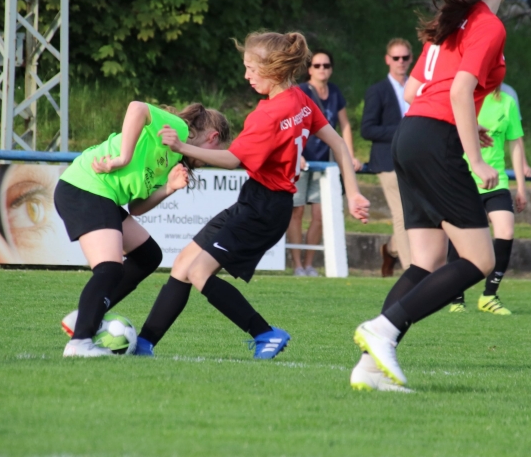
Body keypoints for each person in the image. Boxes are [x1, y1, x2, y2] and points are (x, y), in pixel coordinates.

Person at [136, 31, 370, 359]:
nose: (246, 75)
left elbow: (232, 159)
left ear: (274, 69)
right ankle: (143, 345)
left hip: (263, 208)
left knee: (198, 272)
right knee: (184, 263)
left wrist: (181, 146)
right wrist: (353, 193)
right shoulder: (301, 100)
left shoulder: (267, 114)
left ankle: (265, 334)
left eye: (251, 68)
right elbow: (340, 144)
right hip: (260, 202)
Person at [350, 0, 513, 392]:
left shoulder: (451, 19)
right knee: (481, 259)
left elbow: (413, 91)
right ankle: (383, 330)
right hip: (435, 140)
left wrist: (467, 128)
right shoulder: (488, 24)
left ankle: (369, 368)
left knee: (426, 261)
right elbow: (459, 91)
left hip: (411, 135)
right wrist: (475, 159)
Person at [53, 101, 229, 357]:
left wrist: (169, 187)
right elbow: (137, 108)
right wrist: (123, 158)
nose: (208, 161)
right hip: (86, 187)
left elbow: (136, 207)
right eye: (216, 151)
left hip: (101, 195)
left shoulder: (174, 157)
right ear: (213, 137)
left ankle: (85, 315)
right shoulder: (179, 130)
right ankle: (79, 342)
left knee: (148, 256)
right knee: (109, 268)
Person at [445, 86, 530, 315]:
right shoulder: (462, 97)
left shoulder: (507, 102)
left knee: (506, 230)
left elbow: (515, 144)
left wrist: (521, 188)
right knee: (459, 237)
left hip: (496, 180)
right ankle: (456, 297)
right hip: (464, 179)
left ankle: (489, 295)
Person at [287, 50, 360, 277]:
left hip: (324, 162)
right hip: (301, 160)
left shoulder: (335, 92)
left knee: (319, 215)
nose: (322, 69)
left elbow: (344, 125)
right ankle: (297, 265)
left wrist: (349, 155)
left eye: (326, 65)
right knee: (297, 211)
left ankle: (309, 264)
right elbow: (290, 123)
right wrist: (295, 153)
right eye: (317, 65)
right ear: (309, 69)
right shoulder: (300, 91)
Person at [360, 39, 414, 277]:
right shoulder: (378, 91)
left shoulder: (419, 88)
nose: (400, 62)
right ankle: (412, 271)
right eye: (396, 58)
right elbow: (367, 129)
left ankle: (391, 249)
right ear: (387, 60)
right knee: (402, 214)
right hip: (387, 162)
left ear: (411, 59)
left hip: (416, 160)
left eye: (405, 57)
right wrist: (403, 129)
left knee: (420, 213)